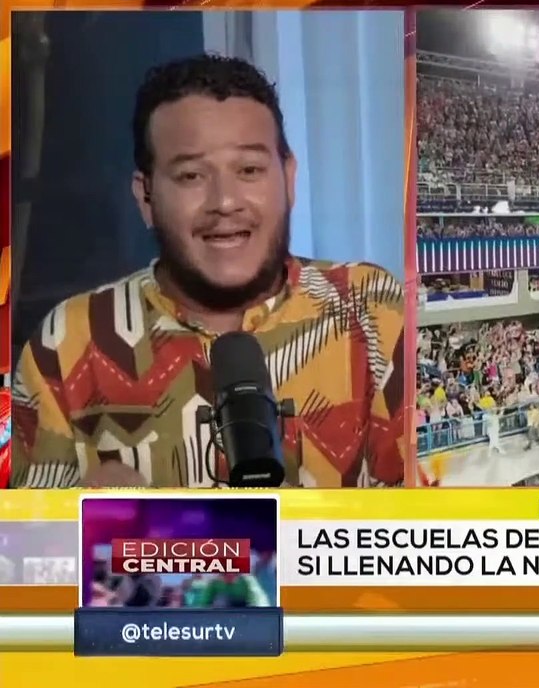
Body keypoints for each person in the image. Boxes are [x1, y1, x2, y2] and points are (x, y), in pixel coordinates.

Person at [9, 54, 405, 488]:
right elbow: (31, 549)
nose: (225, 201)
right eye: (192, 176)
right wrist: (93, 538)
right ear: (146, 197)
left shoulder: (372, 310)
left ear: (289, 179)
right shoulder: (65, 344)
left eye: (249, 170)